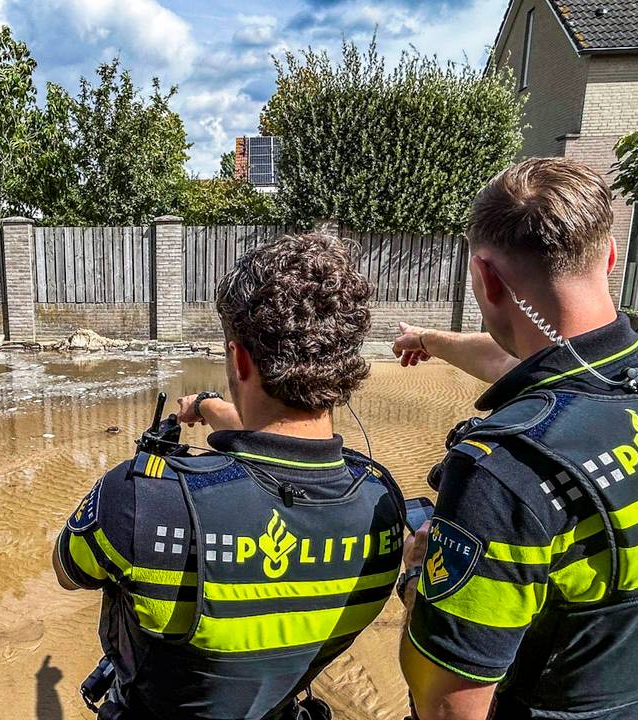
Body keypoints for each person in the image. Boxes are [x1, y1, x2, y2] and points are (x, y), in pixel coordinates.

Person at [391, 158, 638, 720]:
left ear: (485, 278)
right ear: (611, 255)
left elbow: (446, 703)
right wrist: (428, 338)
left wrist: (422, 577)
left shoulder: (503, 476)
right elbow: (528, 364)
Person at [52, 234, 407, 720]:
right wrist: (209, 407)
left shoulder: (139, 500)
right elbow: (282, 450)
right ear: (341, 365)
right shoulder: (383, 505)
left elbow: (69, 571)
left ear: (239, 359)